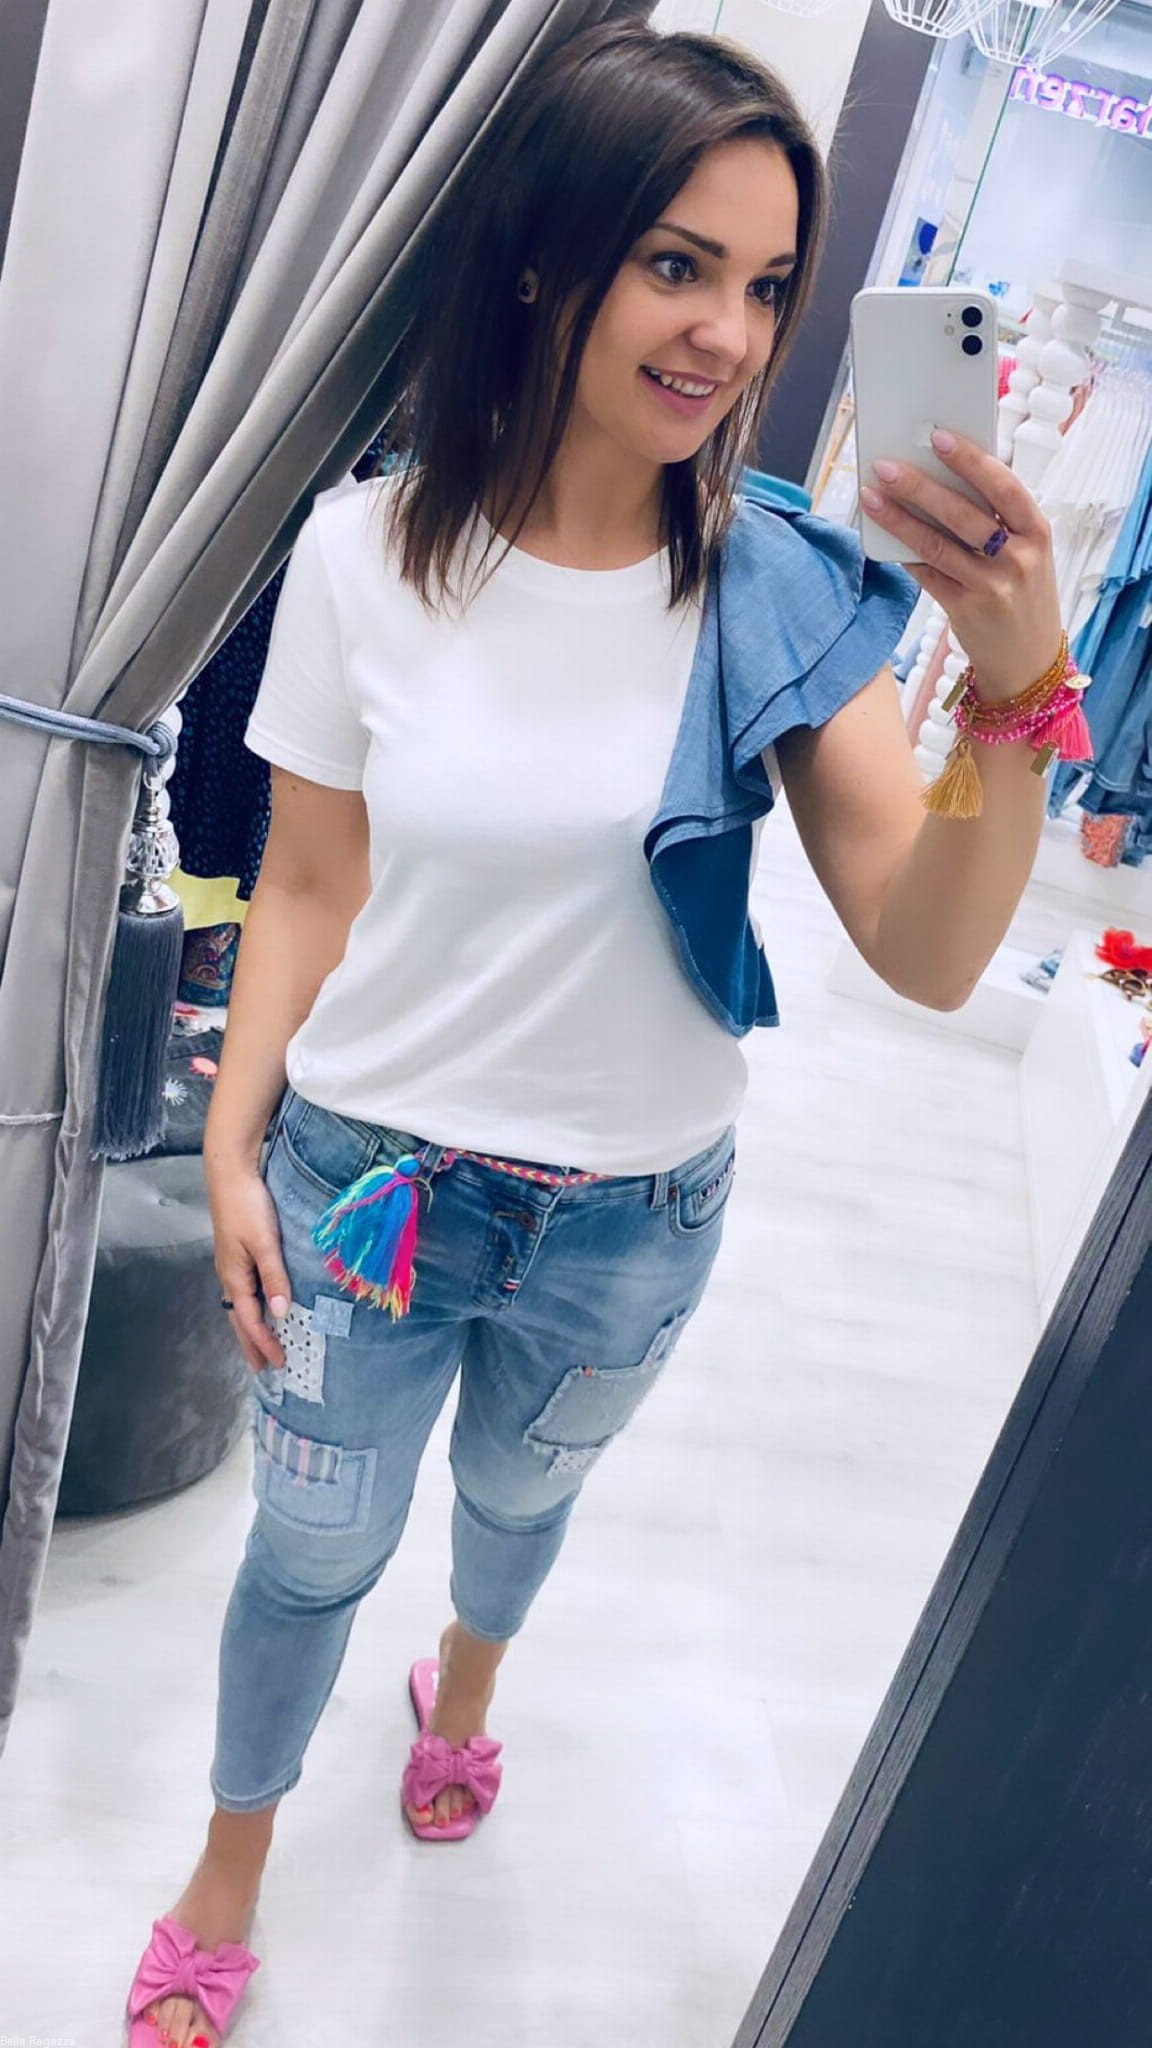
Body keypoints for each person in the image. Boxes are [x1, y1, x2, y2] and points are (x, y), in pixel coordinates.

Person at [125, 21, 1065, 2048]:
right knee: (309, 1548)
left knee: (517, 1511)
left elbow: (923, 946)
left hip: (631, 1216)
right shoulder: (363, 553)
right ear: (548, 257)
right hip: (364, 1187)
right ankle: (230, 1859)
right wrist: (229, 1136)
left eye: (768, 285)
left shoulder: (778, 583)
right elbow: (308, 882)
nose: (728, 331)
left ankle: (464, 1694)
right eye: (676, 263)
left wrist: (1020, 693)